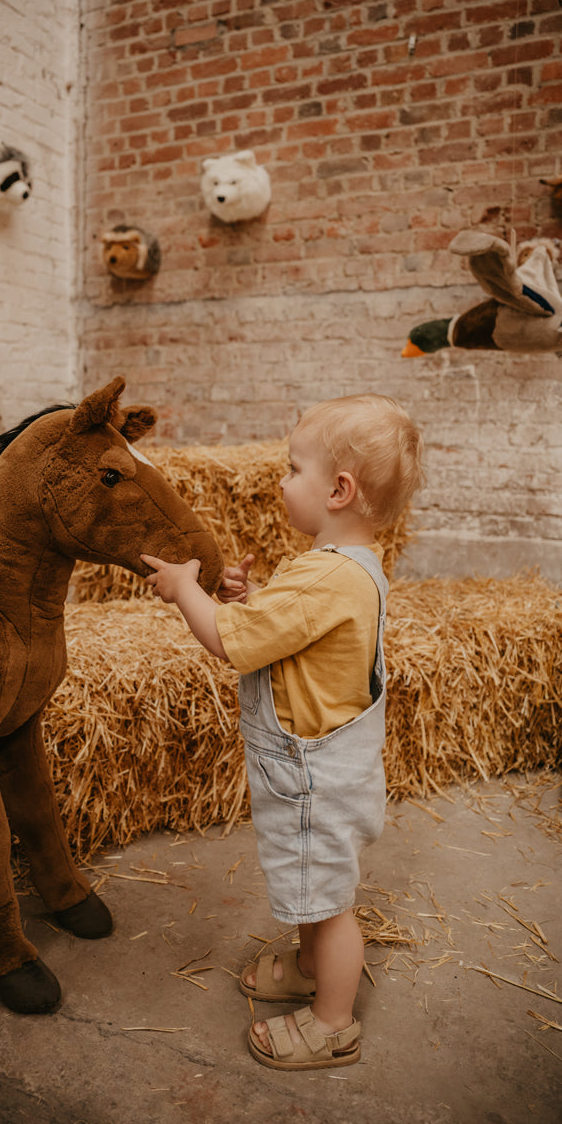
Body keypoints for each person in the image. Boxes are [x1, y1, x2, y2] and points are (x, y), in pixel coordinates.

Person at [141, 393, 424, 1072]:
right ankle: (308, 967)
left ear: (338, 489)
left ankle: (333, 1025)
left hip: (311, 781)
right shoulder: (350, 567)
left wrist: (188, 591)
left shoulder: (324, 577)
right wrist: (248, 597)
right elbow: (288, 630)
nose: (280, 482)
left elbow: (231, 645)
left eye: (293, 469)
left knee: (329, 906)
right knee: (309, 886)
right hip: (325, 769)